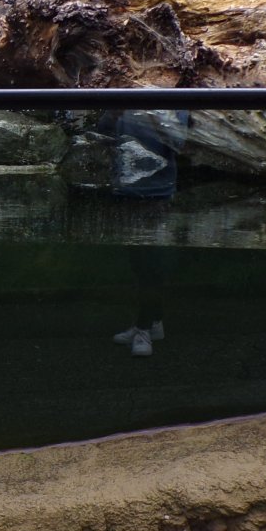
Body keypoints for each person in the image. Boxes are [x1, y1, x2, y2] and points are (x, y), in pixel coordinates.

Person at [96, 109, 188, 354]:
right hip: (126, 192)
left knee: (151, 268)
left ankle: (143, 329)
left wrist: (157, 118)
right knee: (140, 266)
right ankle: (154, 323)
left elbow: (178, 143)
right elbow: (102, 130)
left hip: (157, 196)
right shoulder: (126, 97)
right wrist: (114, 114)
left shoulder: (175, 103)